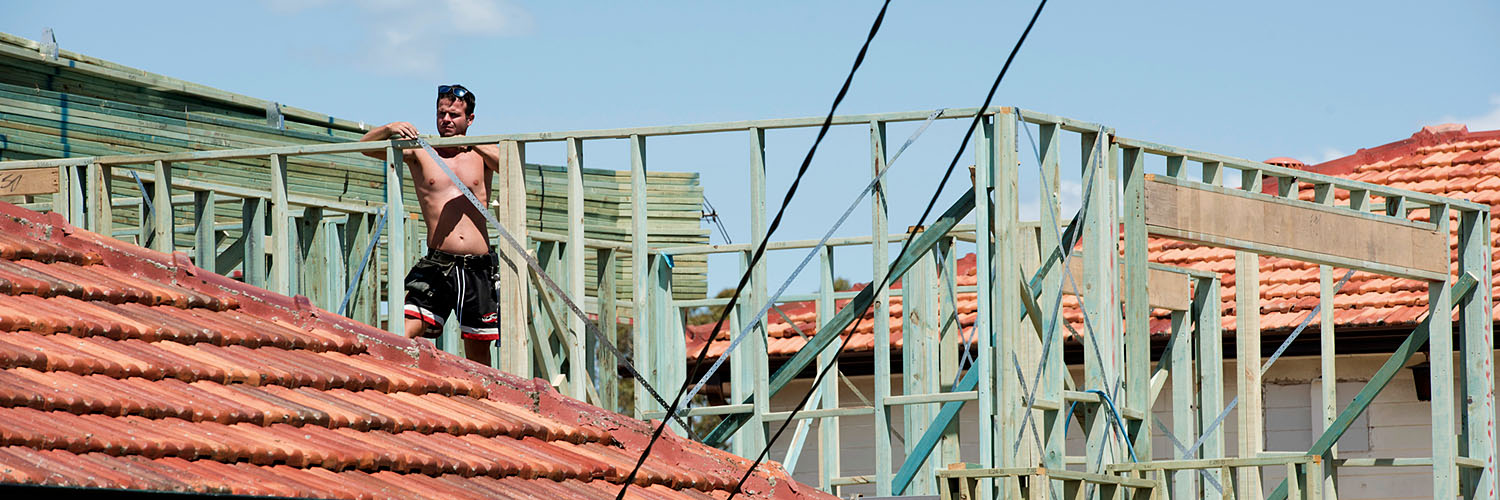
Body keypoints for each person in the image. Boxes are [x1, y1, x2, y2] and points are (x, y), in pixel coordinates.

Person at [360, 84, 501, 365]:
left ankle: (483, 403)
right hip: (439, 264)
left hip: (477, 266)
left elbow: (513, 165)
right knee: (402, 329)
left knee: (478, 353)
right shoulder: (421, 152)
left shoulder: (481, 155)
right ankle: (391, 378)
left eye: (454, 115)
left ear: (469, 119)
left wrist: (476, 143)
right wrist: (390, 128)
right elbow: (365, 148)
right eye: (441, 114)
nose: (446, 120)